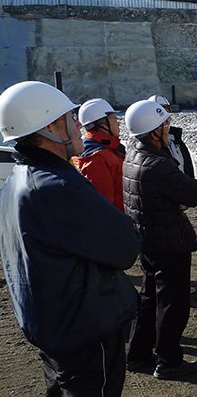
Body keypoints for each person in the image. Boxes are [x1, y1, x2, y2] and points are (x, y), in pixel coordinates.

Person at [0, 81, 140, 396]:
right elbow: (126, 246)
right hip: (85, 333)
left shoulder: (17, 180)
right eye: (70, 118)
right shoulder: (57, 187)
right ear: (50, 126)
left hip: (53, 328)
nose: (78, 127)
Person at [123, 100, 197, 380]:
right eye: (164, 125)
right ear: (153, 132)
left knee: (148, 298)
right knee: (173, 303)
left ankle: (138, 354)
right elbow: (193, 194)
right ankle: (168, 360)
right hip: (169, 241)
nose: (169, 129)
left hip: (147, 238)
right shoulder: (159, 165)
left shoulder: (133, 154)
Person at [72, 98, 126, 212]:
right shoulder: (99, 160)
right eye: (114, 119)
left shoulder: (102, 149)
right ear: (103, 126)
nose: (118, 123)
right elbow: (103, 208)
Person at [148, 94, 195, 177]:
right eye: (160, 114)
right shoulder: (147, 146)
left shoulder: (176, 140)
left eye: (166, 113)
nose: (165, 118)